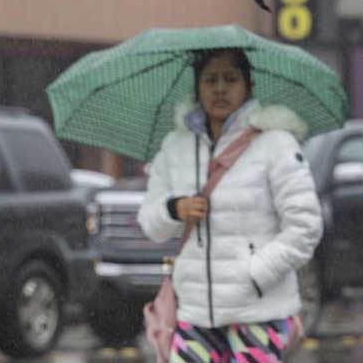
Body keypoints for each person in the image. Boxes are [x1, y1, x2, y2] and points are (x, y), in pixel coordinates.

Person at [138, 48, 323, 363]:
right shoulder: (175, 146)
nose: (220, 88)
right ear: (198, 88)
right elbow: (150, 224)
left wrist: (254, 272)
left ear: (248, 86)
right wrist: (174, 209)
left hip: (258, 311)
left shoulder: (276, 144)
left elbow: (306, 227)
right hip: (195, 311)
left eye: (230, 79)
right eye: (210, 80)